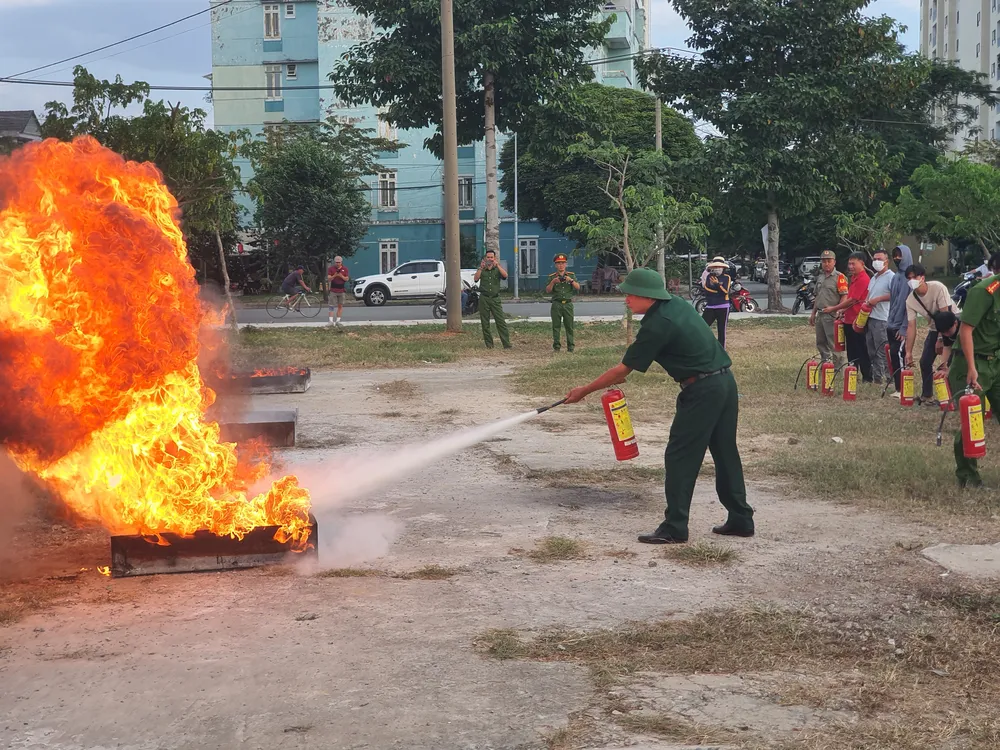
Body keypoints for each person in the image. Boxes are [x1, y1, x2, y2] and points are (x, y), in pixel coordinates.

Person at [563, 268, 754, 544]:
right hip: (725, 383)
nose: (627, 299)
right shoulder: (676, 305)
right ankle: (741, 518)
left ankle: (675, 527)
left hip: (702, 391)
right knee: (726, 452)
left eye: (631, 294)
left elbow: (622, 370)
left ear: (648, 296)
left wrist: (584, 391)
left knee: (680, 457)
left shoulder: (657, 324)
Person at [946, 269, 1000, 488]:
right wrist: (971, 367)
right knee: (972, 420)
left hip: (995, 362)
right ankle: (968, 478)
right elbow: (965, 330)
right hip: (971, 363)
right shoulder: (984, 291)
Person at [904, 264, 959, 404]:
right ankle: (927, 395)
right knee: (925, 361)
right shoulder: (910, 300)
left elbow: (945, 313)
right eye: (909, 278)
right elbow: (911, 326)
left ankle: (952, 397)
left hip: (952, 325)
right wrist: (908, 352)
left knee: (950, 363)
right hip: (935, 328)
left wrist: (940, 339)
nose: (911, 281)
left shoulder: (938, 287)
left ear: (922, 277)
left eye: (914, 277)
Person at [810, 250, 849, 369]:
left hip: (832, 315)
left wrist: (839, 311)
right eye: (824, 261)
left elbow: (844, 296)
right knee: (821, 342)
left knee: (834, 342)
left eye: (829, 261)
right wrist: (813, 313)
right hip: (820, 314)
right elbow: (817, 296)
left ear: (834, 262)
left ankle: (838, 367)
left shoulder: (839, 277)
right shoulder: (821, 277)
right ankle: (826, 365)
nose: (826, 264)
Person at [864, 249, 894, 385]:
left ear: (886, 261)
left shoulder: (891, 277)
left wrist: (879, 299)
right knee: (872, 350)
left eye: (879, 259)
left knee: (883, 350)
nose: (876, 261)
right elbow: (869, 294)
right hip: (870, 316)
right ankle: (877, 377)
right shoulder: (874, 277)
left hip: (882, 318)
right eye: (875, 259)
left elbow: (895, 294)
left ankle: (889, 378)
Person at [886, 245, 913, 393]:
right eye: (895, 255)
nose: (897, 258)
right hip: (891, 323)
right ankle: (898, 388)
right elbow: (893, 301)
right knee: (893, 356)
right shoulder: (896, 277)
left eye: (900, 255)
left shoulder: (910, 278)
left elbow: (910, 306)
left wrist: (904, 328)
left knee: (900, 356)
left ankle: (903, 389)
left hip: (901, 326)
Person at [474, 250, 511, 349]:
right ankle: (489, 345)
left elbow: (505, 275)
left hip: (495, 298)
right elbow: (476, 279)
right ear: (485, 258)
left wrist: (498, 265)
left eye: (491, 257)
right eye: (488, 257)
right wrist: (480, 268)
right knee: (485, 322)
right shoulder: (482, 269)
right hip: (484, 298)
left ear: (494, 258)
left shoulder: (497, 269)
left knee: (500, 321)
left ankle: (506, 344)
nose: (490, 259)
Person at [546, 253, 580, 352]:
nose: (561, 265)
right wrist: (553, 282)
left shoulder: (571, 275)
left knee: (569, 326)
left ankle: (571, 347)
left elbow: (578, 287)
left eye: (563, 263)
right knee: (556, 326)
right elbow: (547, 290)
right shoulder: (552, 277)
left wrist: (571, 281)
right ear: (555, 265)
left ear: (566, 264)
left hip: (568, 304)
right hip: (557, 303)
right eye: (558, 263)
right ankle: (556, 347)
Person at [701, 257, 733, 349]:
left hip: (723, 306)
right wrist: (718, 290)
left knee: (721, 330)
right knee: (702, 326)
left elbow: (725, 291)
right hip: (710, 306)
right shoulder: (709, 277)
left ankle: (722, 349)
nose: (717, 269)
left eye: (719, 267)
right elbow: (707, 289)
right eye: (715, 267)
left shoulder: (727, 277)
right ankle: (704, 345)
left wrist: (717, 284)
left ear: (723, 268)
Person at [327, 256, 349, 326]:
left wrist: (341, 276)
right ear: (334, 262)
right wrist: (334, 275)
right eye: (336, 262)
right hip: (333, 290)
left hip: (341, 290)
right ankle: (330, 321)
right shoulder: (331, 269)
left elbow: (347, 279)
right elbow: (329, 278)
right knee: (331, 306)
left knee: (340, 306)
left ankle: (338, 321)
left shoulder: (345, 269)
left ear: (341, 262)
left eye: (339, 262)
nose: (338, 264)